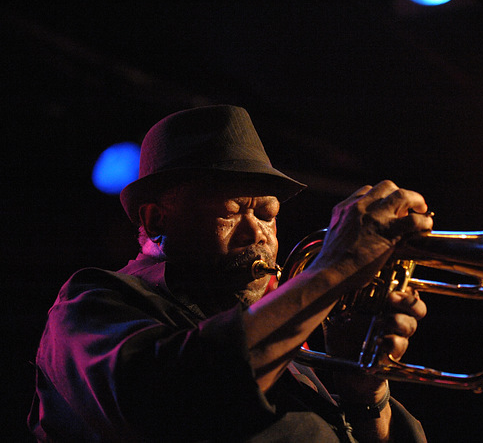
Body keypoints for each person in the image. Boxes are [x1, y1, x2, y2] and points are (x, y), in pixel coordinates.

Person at [28, 105, 434, 442]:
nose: (256, 231)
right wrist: (336, 268)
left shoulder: (300, 356)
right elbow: (176, 405)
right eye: (233, 211)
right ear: (156, 221)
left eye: (267, 214)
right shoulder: (92, 305)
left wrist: (364, 390)